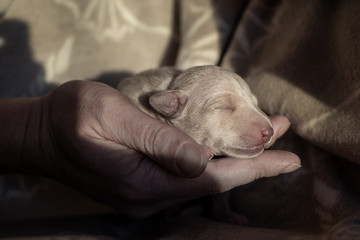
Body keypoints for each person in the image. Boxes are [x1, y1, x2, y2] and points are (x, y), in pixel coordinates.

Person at [0, 79, 301, 218]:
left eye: (254, 104)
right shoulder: (148, 101)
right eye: (224, 107)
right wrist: (37, 131)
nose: (264, 125)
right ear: (173, 106)